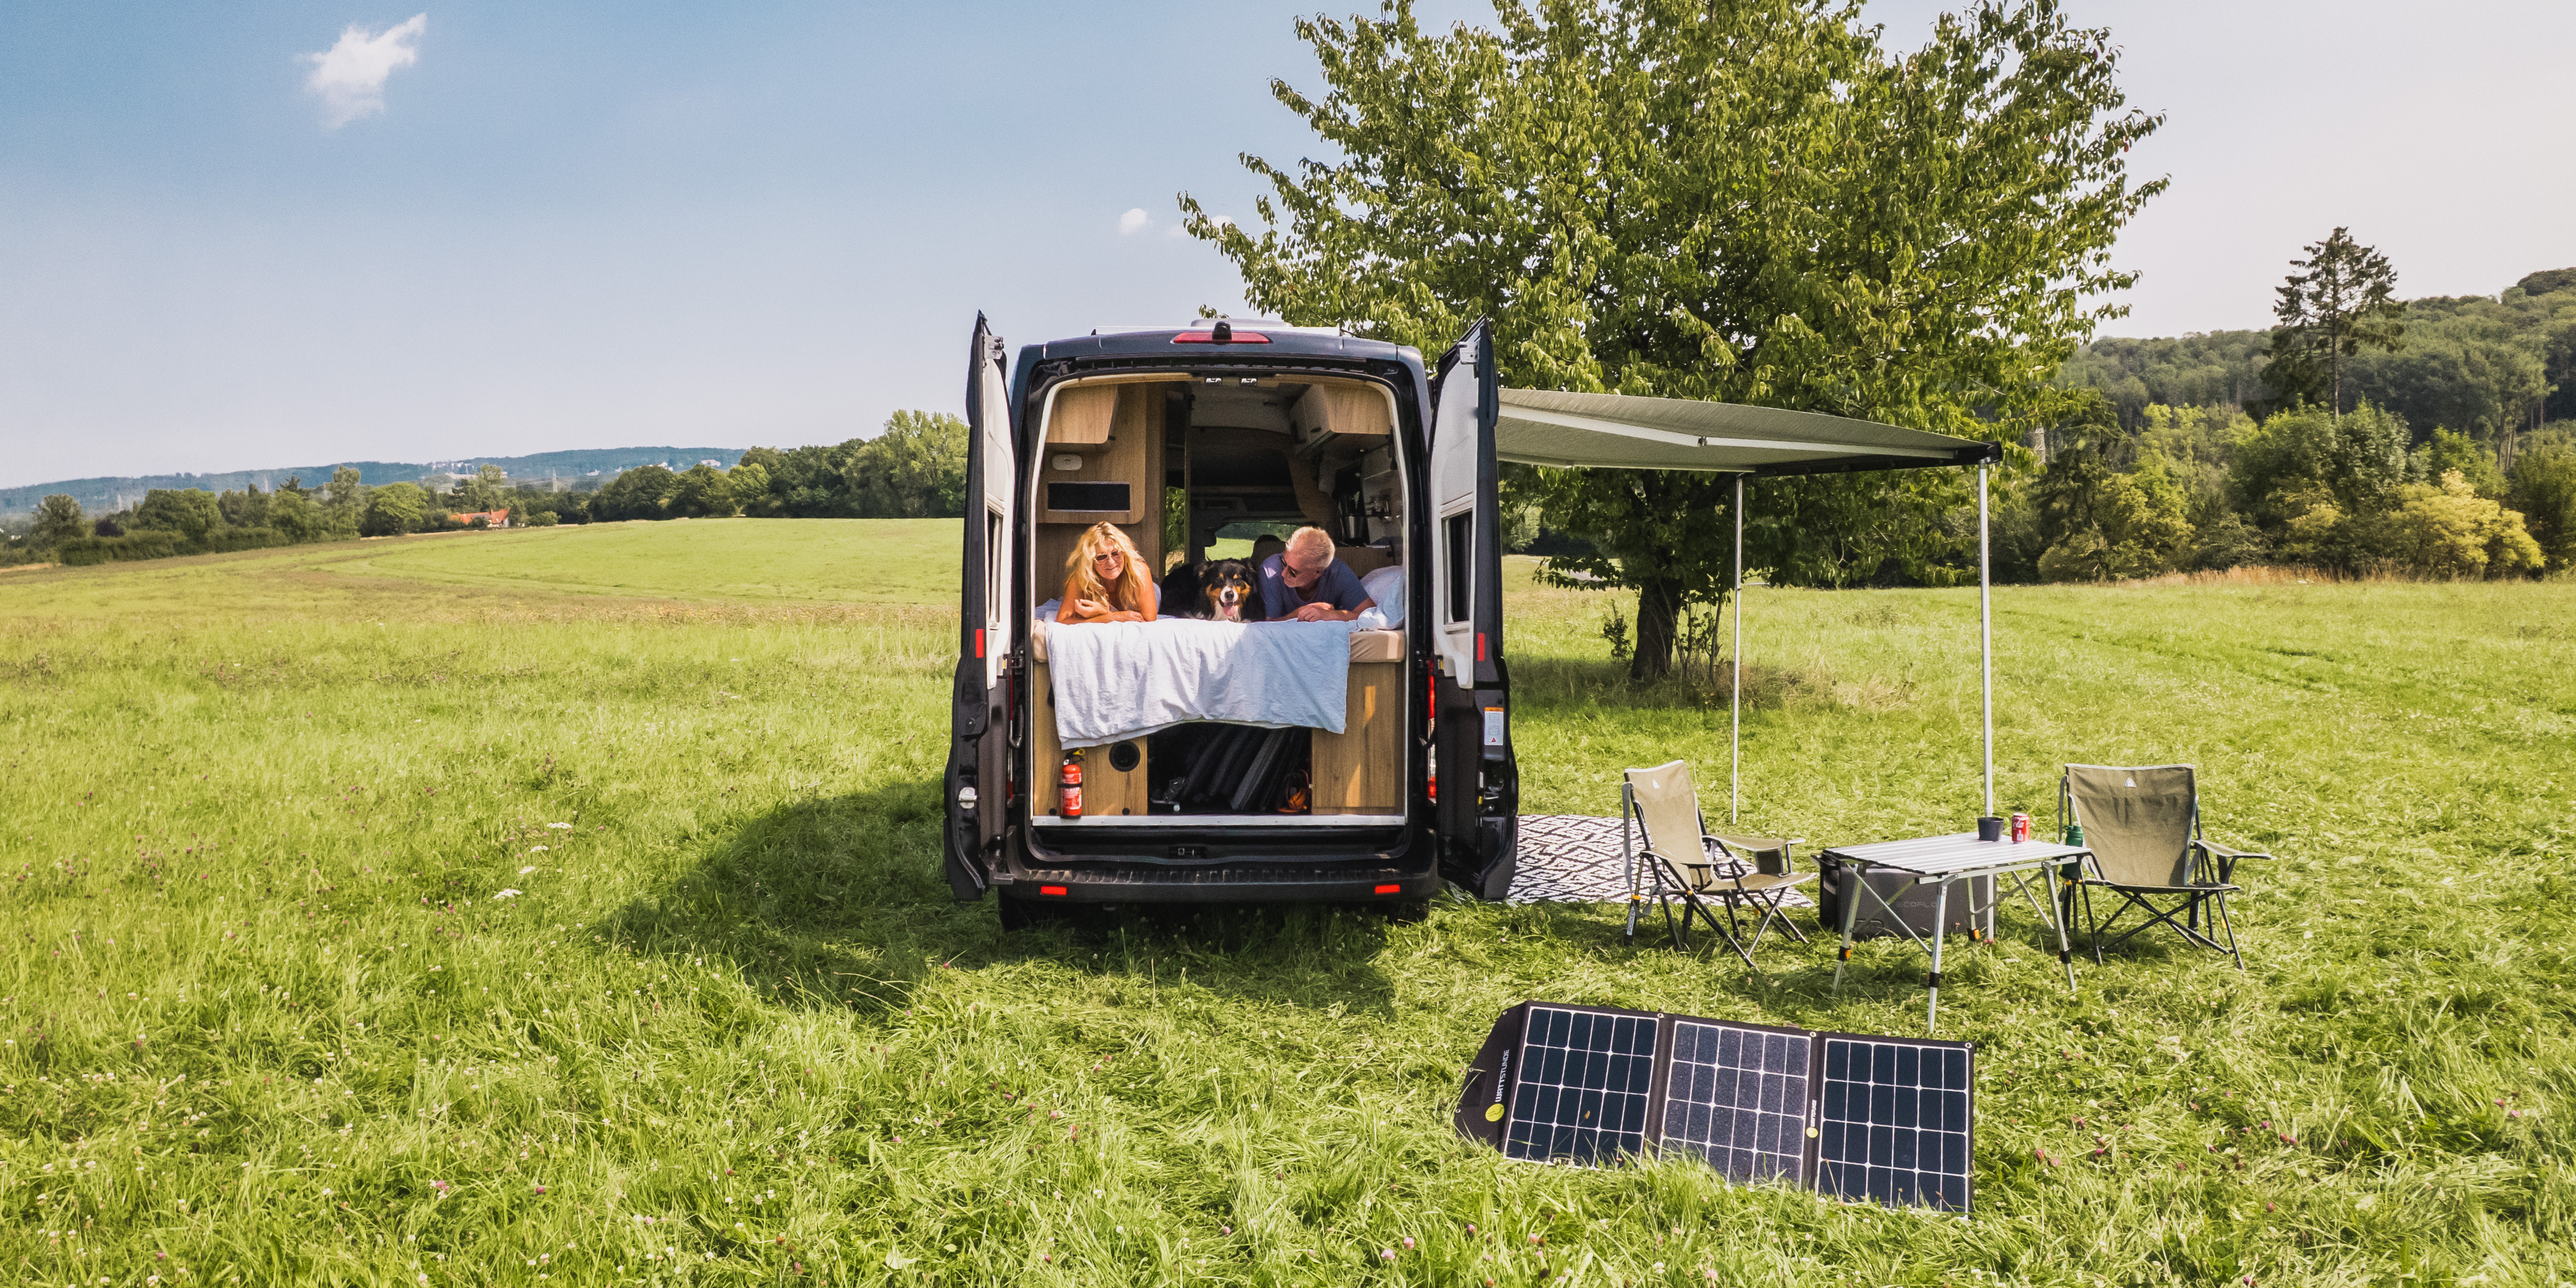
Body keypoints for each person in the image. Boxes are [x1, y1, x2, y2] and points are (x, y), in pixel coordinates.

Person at [1257, 526, 1377, 623]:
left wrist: (1331, 615)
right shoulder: (1270, 571)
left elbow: (1371, 614)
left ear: (1318, 572)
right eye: (1283, 563)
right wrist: (1298, 614)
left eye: (1293, 572)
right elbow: (1266, 627)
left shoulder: (1338, 573)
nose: (1283, 573)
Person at [1056, 522, 1158, 624]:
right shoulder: (1080, 578)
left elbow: (1148, 619)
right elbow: (1062, 620)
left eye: (1116, 553)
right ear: (1090, 561)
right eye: (1101, 557)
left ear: (1125, 553)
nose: (1111, 562)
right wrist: (1111, 616)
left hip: (1145, 584)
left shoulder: (1140, 571)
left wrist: (1101, 613)